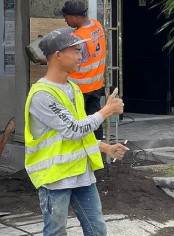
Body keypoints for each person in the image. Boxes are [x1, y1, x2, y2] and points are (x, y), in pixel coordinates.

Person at [24, 28, 129, 236]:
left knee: (97, 230)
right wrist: (107, 110)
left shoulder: (73, 88)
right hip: (55, 180)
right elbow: (74, 130)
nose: (81, 56)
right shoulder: (42, 95)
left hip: (81, 175)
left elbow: (81, 132)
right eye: (75, 50)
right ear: (58, 55)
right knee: (56, 232)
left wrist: (104, 147)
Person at [59, 0, 106, 140]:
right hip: (96, 85)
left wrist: (48, 60)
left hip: (80, 88)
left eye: (66, 17)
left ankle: (80, 152)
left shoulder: (79, 38)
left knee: (78, 124)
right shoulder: (97, 26)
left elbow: (72, 62)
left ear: (75, 17)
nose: (65, 21)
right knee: (95, 119)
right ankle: (98, 151)